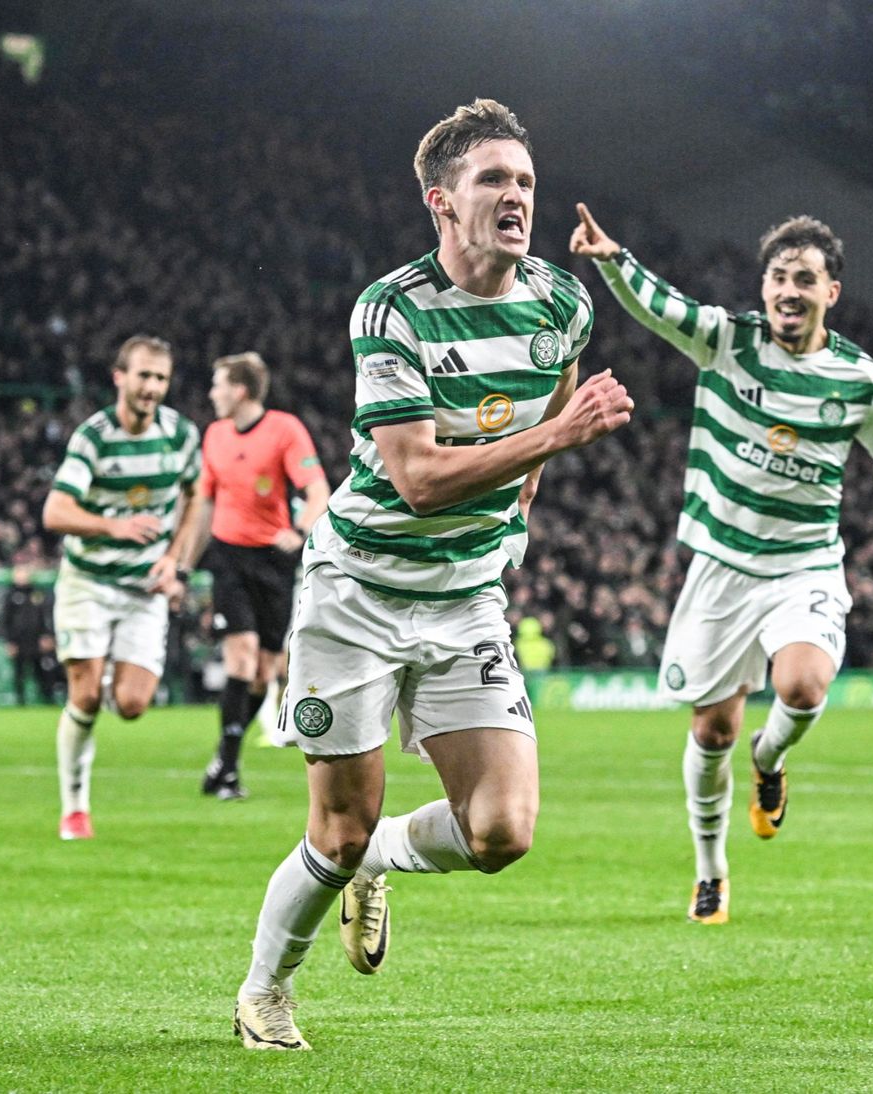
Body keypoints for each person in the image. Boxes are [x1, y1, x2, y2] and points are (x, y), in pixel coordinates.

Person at [233, 99, 633, 1051]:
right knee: (335, 829)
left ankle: (379, 860)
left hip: (464, 600)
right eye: (493, 179)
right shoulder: (393, 308)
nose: (516, 196)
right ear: (441, 201)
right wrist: (556, 439)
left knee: (502, 831)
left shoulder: (562, 302)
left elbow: (554, 391)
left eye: (525, 181)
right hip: (359, 592)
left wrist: (522, 502)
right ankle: (264, 992)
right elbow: (416, 478)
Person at [570, 204, 873, 926]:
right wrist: (613, 259)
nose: (789, 289)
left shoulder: (862, 380)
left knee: (804, 685)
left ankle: (771, 758)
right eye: (779, 276)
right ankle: (710, 871)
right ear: (764, 286)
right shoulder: (727, 340)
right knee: (711, 733)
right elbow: (664, 308)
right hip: (722, 565)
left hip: (803, 565)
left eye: (804, 279)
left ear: (830, 292)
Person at [41, 335, 203, 840]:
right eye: (143, 375)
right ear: (120, 377)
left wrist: (176, 561)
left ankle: (108, 669)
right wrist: (114, 526)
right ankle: (74, 808)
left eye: (160, 378)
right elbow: (55, 511)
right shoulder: (93, 437)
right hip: (88, 581)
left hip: (144, 589)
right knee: (86, 697)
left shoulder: (180, 434)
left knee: (132, 705)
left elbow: (196, 497)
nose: (151, 387)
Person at [182, 351, 330, 800]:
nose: (212, 394)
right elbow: (204, 506)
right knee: (241, 659)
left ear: (240, 390)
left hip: (273, 560)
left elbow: (317, 490)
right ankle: (228, 771)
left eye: (218, 385)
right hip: (229, 557)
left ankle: (222, 758)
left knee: (265, 675)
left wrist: (299, 530)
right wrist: (186, 564)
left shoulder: (284, 430)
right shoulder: (214, 435)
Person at [1, 564, 52, 705]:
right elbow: (5, 620)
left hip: (36, 640)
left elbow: (45, 616)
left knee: (41, 671)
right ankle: (20, 700)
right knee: (19, 672)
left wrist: (47, 635)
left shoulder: (37, 593)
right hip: (18, 641)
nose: (22, 577)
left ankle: (47, 699)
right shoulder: (10, 595)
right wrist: (9, 642)